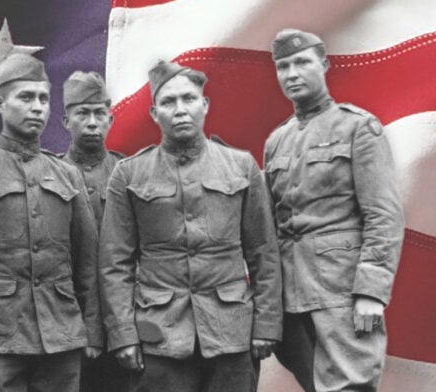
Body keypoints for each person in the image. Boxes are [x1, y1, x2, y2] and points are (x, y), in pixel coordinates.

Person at [99, 60, 282, 392]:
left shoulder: (241, 166)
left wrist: (267, 325)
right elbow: (115, 265)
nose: (180, 110)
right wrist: (123, 334)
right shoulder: (129, 174)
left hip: (231, 332)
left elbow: (263, 253)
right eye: (168, 102)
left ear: (205, 105)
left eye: (189, 99)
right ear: (155, 114)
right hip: (159, 336)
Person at [0, 53, 102, 392]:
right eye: (25, 97)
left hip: (61, 334)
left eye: (43, 98)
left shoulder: (66, 174)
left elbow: (87, 261)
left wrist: (92, 330)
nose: (37, 107)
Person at [264, 29, 405, 392]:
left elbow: (383, 215)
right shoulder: (276, 140)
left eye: (302, 62)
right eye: (283, 66)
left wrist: (371, 292)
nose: (292, 73)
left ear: (324, 65)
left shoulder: (357, 128)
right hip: (290, 294)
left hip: (342, 290)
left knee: (349, 385)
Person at [59, 71, 126, 392]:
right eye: (82, 113)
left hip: (122, 320)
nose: (91, 122)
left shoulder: (127, 172)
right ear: (65, 121)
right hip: (66, 317)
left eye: (100, 113)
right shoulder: (51, 174)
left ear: (110, 120)